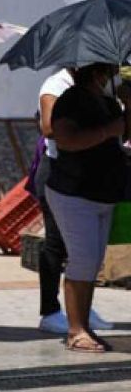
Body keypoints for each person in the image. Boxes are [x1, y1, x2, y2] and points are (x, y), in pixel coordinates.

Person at [45, 63, 128, 353]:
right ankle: (75, 330)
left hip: (102, 194)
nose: (112, 78)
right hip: (74, 193)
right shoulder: (71, 100)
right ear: (97, 74)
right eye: (109, 72)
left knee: (92, 262)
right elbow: (66, 140)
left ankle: (84, 324)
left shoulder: (107, 102)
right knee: (82, 260)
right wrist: (107, 130)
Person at [34, 69, 113, 334]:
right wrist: (97, 130)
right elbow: (48, 127)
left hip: (90, 178)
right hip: (60, 171)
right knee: (57, 245)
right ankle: (51, 310)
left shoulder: (104, 94)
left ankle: (80, 308)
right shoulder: (57, 85)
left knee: (87, 254)